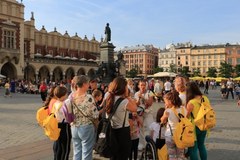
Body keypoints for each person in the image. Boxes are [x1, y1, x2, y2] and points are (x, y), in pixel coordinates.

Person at [105, 77, 137, 160]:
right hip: (122, 132)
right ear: (123, 87)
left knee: (114, 156)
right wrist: (127, 96)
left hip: (111, 131)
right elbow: (134, 108)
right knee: (123, 155)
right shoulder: (124, 101)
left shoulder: (109, 98)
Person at [70, 75, 99, 160]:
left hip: (74, 126)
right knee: (86, 152)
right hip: (86, 126)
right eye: (87, 83)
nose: (88, 85)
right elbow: (95, 114)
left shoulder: (72, 96)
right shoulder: (88, 97)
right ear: (83, 84)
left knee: (77, 151)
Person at [186, 82, 209, 160]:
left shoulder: (191, 102)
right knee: (201, 145)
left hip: (194, 127)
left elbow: (187, 116)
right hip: (204, 125)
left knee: (193, 149)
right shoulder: (205, 98)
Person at [161, 91, 187, 160]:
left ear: (170, 101)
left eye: (165, 101)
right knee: (180, 155)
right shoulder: (183, 109)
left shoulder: (168, 111)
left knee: (172, 155)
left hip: (170, 135)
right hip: (181, 135)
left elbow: (162, 121)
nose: (165, 103)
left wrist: (165, 111)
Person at [52, 86, 71, 160]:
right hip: (64, 126)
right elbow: (69, 116)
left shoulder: (55, 103)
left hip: (57, 125)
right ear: (63, 95)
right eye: (66, 94)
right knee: (65, 147)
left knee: (58, 146)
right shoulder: (65, 104)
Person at [134, 79, 154, 150]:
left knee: (149, 127)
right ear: (139, 86)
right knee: (141, 129)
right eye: (141, 85)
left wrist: (143, 97)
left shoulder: (150, 92)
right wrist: (139, 98)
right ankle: (141, 144)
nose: (143, 86)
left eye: (144, 85)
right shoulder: (136, 94)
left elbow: (150, 103)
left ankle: (149, 144)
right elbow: (136, 104)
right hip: (140, 113)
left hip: (148, 113)